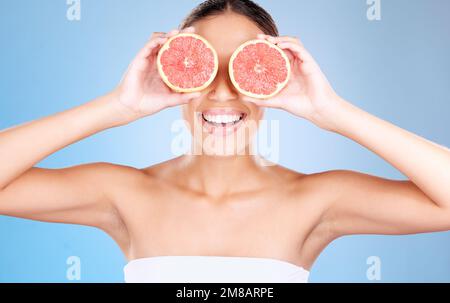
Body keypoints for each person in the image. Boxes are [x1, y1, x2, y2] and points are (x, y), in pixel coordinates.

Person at [1, 0, 449, 283]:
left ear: (276, 80)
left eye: (244, 69)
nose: (220, 92)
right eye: (201, 68)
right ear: (169, 74)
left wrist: (332, 112)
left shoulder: (316, 200)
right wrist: (118, 107)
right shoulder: (125, 194)